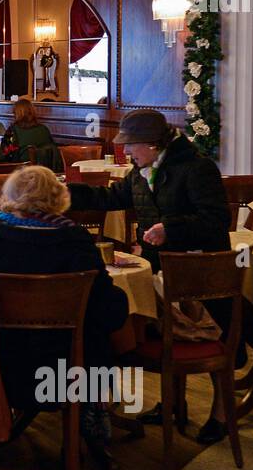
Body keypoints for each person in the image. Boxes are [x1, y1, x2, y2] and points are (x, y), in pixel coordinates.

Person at [0, 166, 130, 470]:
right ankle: (85, 433)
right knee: (98, 335)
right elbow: (110, 313)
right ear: (59, 199)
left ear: (9, 197)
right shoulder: (76, 241)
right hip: (67, 373)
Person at [66, 108, 234, 444]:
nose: (126, 152)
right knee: (167, 334)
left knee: (210, 338)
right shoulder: (141, 171)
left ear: (154, 145)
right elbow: (111, 198)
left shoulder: (197, 168)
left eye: (132, 146)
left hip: (201, 273)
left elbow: (216, 220)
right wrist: (65, 193)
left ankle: (222, 412)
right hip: (163, 269)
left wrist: (170, 229)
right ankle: (172, 403)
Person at [0, 99, 62, 171]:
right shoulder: (44, 129)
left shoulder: (13, 130)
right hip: (45, 171)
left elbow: (1, 156)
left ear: (17, 113)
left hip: (21, 171)